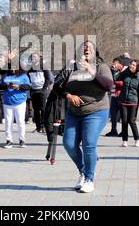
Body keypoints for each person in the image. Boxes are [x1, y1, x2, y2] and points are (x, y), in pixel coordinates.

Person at [54, 40, 113, 193]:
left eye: (90, 48)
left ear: (95, 52)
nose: (86, 49)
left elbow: (109, 86)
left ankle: (89, 179)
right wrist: (68, 95)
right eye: (84, 48)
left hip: (96, 110)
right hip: (74, 112)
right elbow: (57, 86)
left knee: (89, 143)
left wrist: (91, 71)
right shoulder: (71, 68)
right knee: (69, 144)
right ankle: (83, 170)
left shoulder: (101, 67)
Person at [0, 68, 31, 148]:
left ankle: (22, 140)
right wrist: (7, 86)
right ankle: (9, 140)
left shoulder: (23, 76)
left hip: (20, 102)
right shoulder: (5, 76)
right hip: (7, 102)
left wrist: (19, 87)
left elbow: (28, 86)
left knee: (20, 122)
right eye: (11, 67)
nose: (13, 69)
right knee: (8, 122)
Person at [117, 59, 139, 147]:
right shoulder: (125, 74)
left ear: (137, 67)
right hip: (123, 100)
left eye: (133, 65)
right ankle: (124, 140)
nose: (131, 66)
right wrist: (123, 71)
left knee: (131, 121)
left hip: (133, 102)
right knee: (124, 121)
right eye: (131, 64)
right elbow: (115, 78)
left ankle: (137, 139)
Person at [27, 53, 53, 134]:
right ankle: (38, 127)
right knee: (36, 110)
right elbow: (28, 79)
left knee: (43, 109)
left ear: (39, 58)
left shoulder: (43, 67)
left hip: (42, 90)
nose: (33, 58)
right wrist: (30, 88)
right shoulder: (30, 68)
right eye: (32, 57)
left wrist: (44, 89)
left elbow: (48, 79)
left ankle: (44, 126)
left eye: (35, 57)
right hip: (33, 91)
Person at [105, 56, 126, 137]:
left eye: (115, 63)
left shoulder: (125, 72)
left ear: (120, 64)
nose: (113, 65)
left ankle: (124, 131)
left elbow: (121, 83)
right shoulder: (113, 71)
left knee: (123, 115)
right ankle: (113, 130)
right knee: (113, 114)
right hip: (114, 95)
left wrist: (114, 79)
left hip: (122, 96)